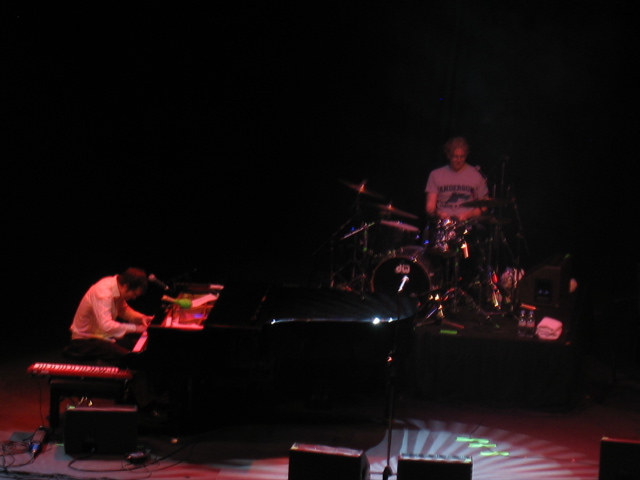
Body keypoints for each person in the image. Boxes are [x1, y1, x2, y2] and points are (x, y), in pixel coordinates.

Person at [64, 267, 155, 367]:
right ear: (126, 285)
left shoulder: (116, 286)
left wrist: (141, 318)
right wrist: (137, 328)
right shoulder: (103, 293)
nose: (134, 298)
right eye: (134, 294)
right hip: (84, 341)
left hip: (101, 336)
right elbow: (107, 326)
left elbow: (123, 310)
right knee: (129, 357)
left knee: (136, 345)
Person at [425, 136, 490, 221]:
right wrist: (438, 214)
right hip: (443, 222)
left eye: (462, 156)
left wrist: (470, 214)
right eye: (455, 157)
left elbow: (484, 206)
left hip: (468, 223)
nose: (459, 160)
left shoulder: (477, 175)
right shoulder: (435, 174)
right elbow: (430, 206)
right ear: (448, 156)